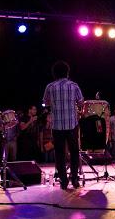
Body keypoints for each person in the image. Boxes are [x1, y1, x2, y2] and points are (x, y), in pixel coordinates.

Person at [42, 60, 84, 190]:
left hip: (57, 126)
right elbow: (81, 102)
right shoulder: (74, 85)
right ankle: (75, 179)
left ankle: (64, 181)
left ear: (54, 73)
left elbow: (46, 103)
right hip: (72, 125)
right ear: (67, 72)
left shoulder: (50, 87)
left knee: (59, 154)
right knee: (74, 152)